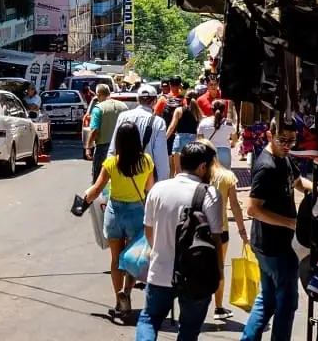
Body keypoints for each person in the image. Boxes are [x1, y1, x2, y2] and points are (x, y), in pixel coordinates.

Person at [137, 141, 223, 341]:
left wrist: (159, 250)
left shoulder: (158, 189)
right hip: (196, 275)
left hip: (160, 271)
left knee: (149, 319)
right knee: (189, 329)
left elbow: (148, 230)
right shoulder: (210, 194)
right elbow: (216, 238)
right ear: (202, 167)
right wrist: (218, 271)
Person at [241, 118, 312, 341]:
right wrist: (292, 223)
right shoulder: (266, 167)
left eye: (292, 140)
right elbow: (252, 209)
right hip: (274, 247)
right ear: (270, 136)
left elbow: (298, 182)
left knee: (268, 299)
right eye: (283, 140)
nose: (288, 144)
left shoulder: (285, 159)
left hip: (271, 244)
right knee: (287, 303)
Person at [82, 122, 155, 316]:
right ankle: (127, 291)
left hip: (114, 213)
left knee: (115, 259)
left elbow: (96, 190)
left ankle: (118, 301)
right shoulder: (146, 161)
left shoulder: (112, 163)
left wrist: (84, 200)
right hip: (136, 213)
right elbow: (150, 189)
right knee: (130, 258)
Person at [197, 138, 247, 320]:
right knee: (218, 269)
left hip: (199, 228)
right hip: (221, 230)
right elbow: (235, 206)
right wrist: (242, 231)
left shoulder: (197, 176)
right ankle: (218, 307)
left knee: (198, 267)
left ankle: (197, 305)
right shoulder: (227, 176)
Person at [108, 85, 170, 182]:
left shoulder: (123, 116)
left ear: (138, 99)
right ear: (155, 100)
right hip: (146, 174)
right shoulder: (158, 122)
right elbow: (160, 154)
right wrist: (163, 180)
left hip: (123, 170)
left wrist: (110, 172)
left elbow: (114, 146)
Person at [85, 84, 128, 181]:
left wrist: (88, 147)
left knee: (98, 177)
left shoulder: (98, 109)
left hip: (103, 147)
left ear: (98, 94)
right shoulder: (124, 106)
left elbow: (94, 130)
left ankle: (97, 194)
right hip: (122, 147)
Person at [167, 95, 202, 176]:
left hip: (180, 140)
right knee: (192, 169)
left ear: (185, 100)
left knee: (178, 170)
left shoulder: (179, 110)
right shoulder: (198, 111)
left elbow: (172, 126)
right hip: (193, 140)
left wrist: (164, 138)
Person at [198, 100, 238, 168]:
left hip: (209, 153)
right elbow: (235, 139)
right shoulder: (228, 123)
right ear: (224, 110)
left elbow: (200, 139)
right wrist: (232, 144)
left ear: (211, 109)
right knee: (225, 177)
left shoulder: (204, 122)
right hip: (224, 154)